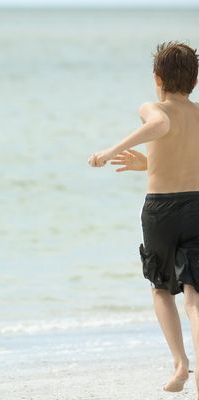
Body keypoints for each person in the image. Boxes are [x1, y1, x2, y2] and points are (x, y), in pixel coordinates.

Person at [89, 42, 199, 396]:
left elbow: (160, 123)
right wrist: (147, 164)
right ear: (195, 81)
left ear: (157, 78)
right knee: (194, 293)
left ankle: (181, 363)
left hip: (161, 211)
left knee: (161, 288)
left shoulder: (152, 106)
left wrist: (111, 151)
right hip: (197, 206)